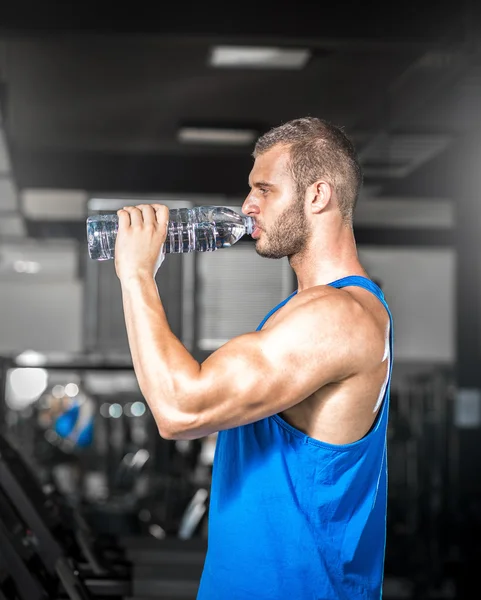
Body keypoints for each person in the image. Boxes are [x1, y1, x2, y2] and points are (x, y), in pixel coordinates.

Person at [114, 117, 393, 599]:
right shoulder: (301, 313)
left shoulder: (338, 316)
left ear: (317, 195)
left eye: (265, 189)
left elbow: (182, 409)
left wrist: (138, 276)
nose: (247, 206)